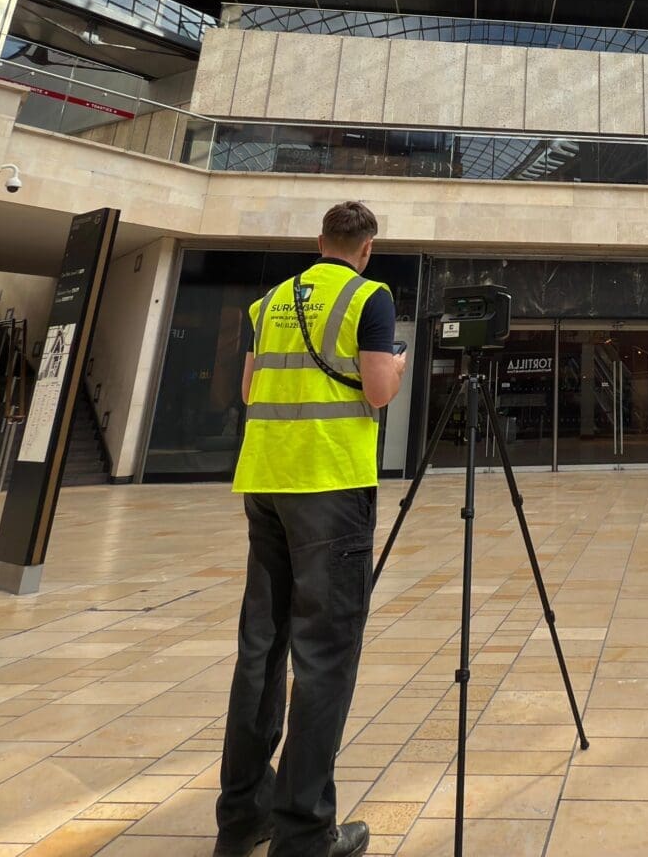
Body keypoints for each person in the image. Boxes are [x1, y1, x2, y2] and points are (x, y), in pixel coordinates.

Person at [216, 201, 407, 857]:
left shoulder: (268, 303)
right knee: (324, 657)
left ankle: (242, 814)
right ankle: (303, 833)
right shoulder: (369, 296)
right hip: (329, 485)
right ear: (367, 247)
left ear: (319, 240)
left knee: (260, 651)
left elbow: (248, 389)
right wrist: (399, 363)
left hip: (264, 481)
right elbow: (379, 391)